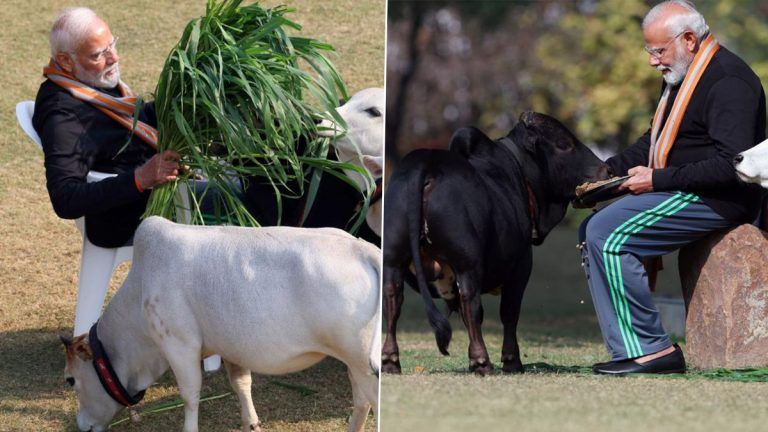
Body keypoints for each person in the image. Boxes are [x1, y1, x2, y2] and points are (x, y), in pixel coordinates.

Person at [581, 0, 766, 374]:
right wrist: (604, 172)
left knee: (608, 232)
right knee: (592, 228)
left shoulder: (729, 81)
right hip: (685, 191)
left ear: (689, 40)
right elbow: (655, 140)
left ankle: (653, 351)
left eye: (658, 50)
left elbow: (732, 166)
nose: (653, 60)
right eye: (650, 51)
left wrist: (656, 179)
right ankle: (628, 349)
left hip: (721, 199)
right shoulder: (683, 77)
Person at [33, 7, 181, 248]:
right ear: (65, 61)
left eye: (112, 45)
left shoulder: (87, 84)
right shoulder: (63, 114)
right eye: (98, 54)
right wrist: (141, 178)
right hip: (134, 218)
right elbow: (66, 199)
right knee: (250, 201)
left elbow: (136, 119)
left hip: (158, 200)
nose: (114, 58)